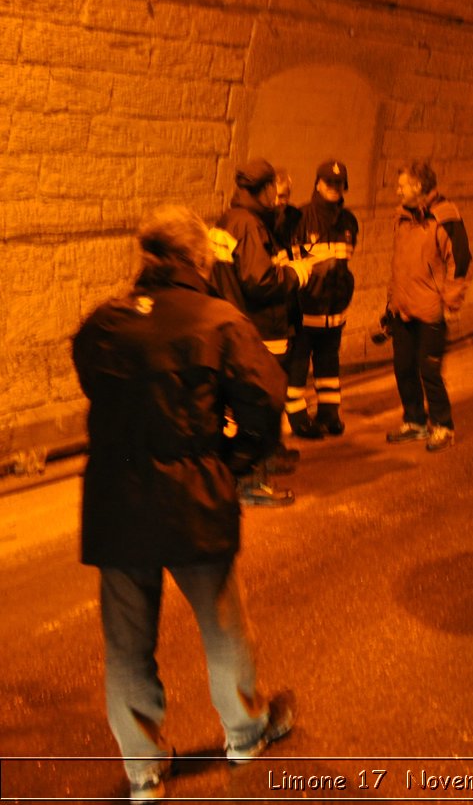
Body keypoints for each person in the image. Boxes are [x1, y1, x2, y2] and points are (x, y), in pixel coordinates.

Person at [72, 205, 295, 801]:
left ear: (145, 258)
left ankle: (143, 769)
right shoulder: (220, 320)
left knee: (125, 640)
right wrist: (232, 462)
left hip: (116, 500)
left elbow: (92, 381)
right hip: (194, 495)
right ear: (198, 258)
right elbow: (265, 401)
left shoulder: (103, 323)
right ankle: (245, 731)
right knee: (222, 623)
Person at [210, 159, 316, 506]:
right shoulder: (250, 226)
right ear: (267, 188)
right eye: (276, 190)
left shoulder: (227, 221)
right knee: (259, 403)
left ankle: (264, 462)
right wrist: (296, 273)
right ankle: (250, 481)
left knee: (249, 403)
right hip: (257, 329)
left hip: (234, 323)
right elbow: (259, 281)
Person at [385, 160, 471, 453]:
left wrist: (451, 302)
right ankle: (415, 421)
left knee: (429, 370)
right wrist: (390, 303)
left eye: (402, 184)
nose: (397, 190)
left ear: (419, 186)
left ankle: (443, 426)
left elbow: (459, 262)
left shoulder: (445, 217)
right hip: (403, 308)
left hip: (431, 309)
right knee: (403, 367)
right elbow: (399, 264)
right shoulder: (402, 218)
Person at [285, 159, 360, 438]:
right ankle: (299, 418)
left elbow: (344, 265)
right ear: (317, 184)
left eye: (339, 184)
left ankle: (329, 413)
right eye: (328, 182)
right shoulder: (300, 218)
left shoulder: (349, 221)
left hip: (334, 311)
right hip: (306, 310)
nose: (333, 188)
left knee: (329, 363)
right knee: (298, 365)